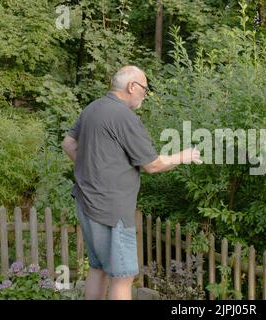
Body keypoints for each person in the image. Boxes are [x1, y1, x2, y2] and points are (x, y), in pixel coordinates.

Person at [61, 66, 201, 300]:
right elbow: (152, 165)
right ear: (132, 86)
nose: (145, 95)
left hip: (85, 201)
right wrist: (183, 156)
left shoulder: (92, 108)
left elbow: (68, 143)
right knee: (123, 276)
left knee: (98, 269)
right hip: (112, 209)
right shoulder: (123, 116)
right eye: (144, 89)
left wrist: (90, 172)